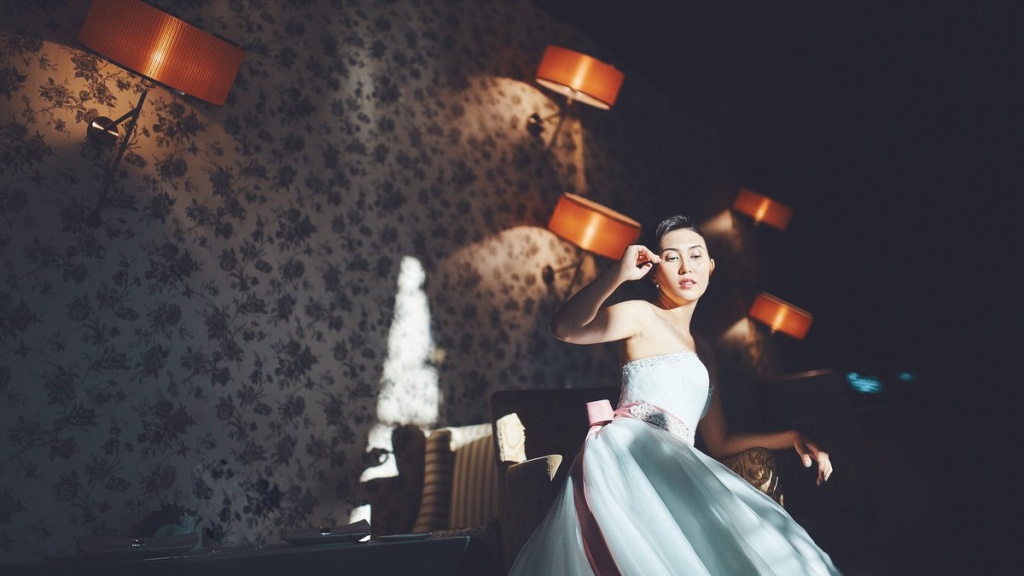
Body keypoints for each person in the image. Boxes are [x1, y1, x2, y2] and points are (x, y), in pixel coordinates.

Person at [509, 215, 841, 575]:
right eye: (671, 257)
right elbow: (565, 328)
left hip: (679, 461)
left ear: (710, 266)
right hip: (631, 453)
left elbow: (720, 441)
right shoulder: (640, 315)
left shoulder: (705, 350)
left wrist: (790, 437)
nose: (686, 267)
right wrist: (619, 273)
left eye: (696, 255)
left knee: (782, 553)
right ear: (653, 272)